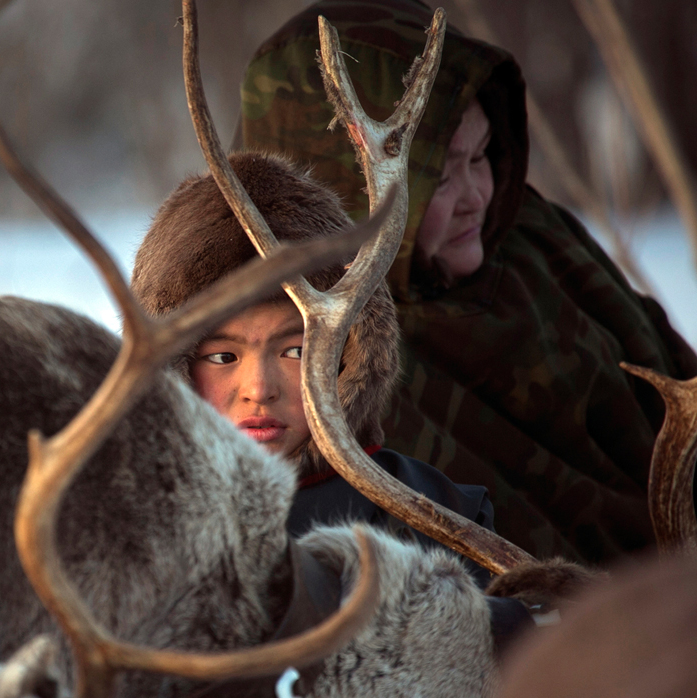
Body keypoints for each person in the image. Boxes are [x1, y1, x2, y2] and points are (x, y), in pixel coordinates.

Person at [236, 0, 697, 564]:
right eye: (440, 173)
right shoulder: (339, 371)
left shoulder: (532, 237)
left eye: (480, 156)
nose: (477, 195)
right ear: (346, 189)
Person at [132, 151, 496, 587]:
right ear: (168, 369)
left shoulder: (443, 524)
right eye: (223, 357)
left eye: (296, 352)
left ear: (351, 354)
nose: (259, 389)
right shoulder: (121, 532)